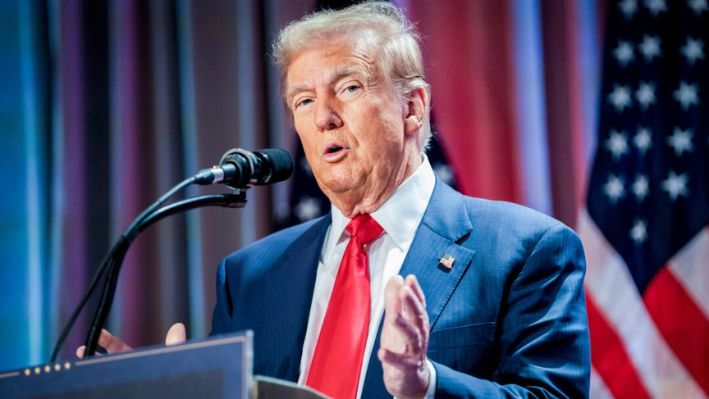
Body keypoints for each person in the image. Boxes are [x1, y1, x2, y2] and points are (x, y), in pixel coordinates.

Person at [82, 2, 591, 398]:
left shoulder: (525, 250)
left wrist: (426, 385)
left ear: (413, 108)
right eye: (303, 100)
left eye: (347, 87)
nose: (323, 116)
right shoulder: (250, 276)